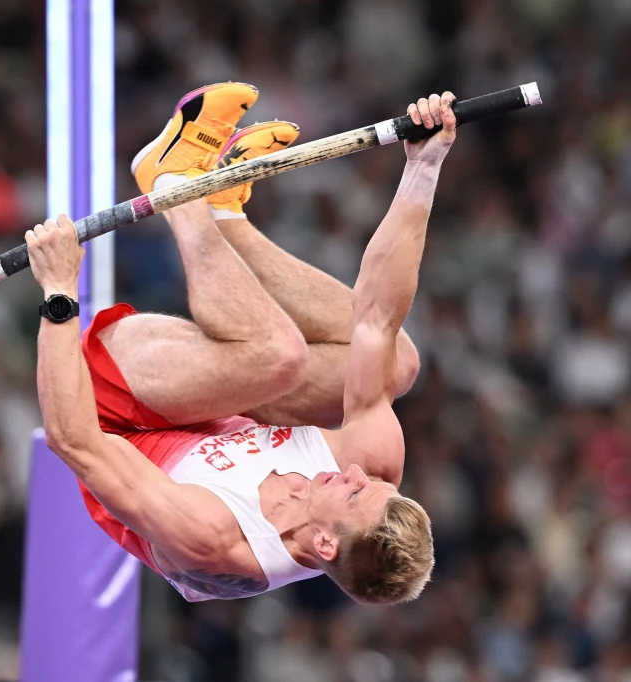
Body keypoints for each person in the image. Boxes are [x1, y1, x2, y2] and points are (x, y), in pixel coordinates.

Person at [26, 82, 457, 604]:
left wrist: (59, 292)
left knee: (279, 357)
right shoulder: (372, 467)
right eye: (373, 482)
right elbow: (376, 321)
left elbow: (73, 441)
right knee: (398, 363)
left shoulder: (212, 537)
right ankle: (223, 212)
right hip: (205, 414)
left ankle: (173, 181)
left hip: (106, 413)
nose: (356, 472)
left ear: (322, 542)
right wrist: (423, 167)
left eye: (355, 491)